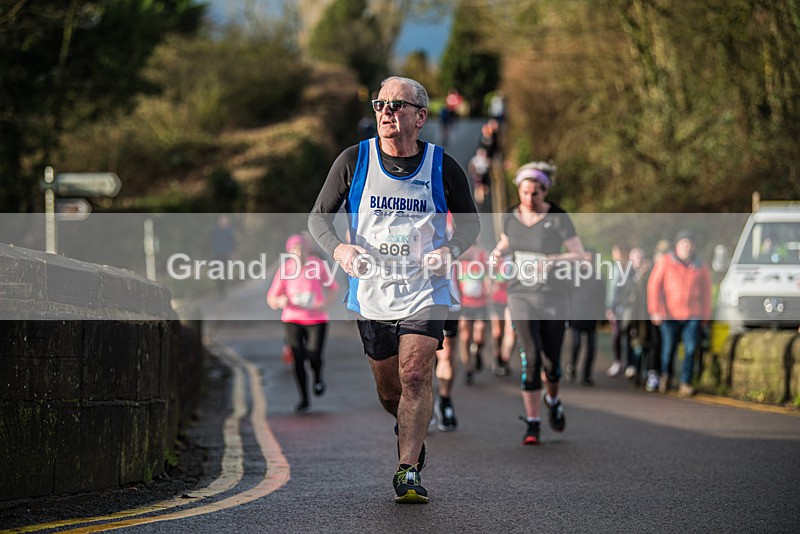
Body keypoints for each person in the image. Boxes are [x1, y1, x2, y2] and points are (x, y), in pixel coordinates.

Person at [308, 76, 480, 503]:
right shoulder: (354, 160)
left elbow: (472, 224)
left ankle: (407, 468)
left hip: (427, 288)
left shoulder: (443, 166)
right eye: (380, 104)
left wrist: (451, 251)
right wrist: (341, 250)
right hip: (371, 293)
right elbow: (318, 219)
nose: (385, 112)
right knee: (391, 390)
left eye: (397, 105)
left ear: (420, 117)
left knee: (416, 374)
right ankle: (407, 426)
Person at [491, 163, 587, 445]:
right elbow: (506, 242)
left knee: (551, 364)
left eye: (535, 193)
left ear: (545, 191)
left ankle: (553, 399)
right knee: (530, 358)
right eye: (524, 193)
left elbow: (580, 256)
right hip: (520, 294)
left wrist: (549, 261)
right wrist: (497, 254)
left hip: (553, 296)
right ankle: (532, 423)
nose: (529, 199)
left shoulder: (558, 218)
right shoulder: (510, 215)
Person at [267, 234, 339, 413]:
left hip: (317, 319)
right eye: (294, 250)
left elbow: (333, 288)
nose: (298, 253)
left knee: (314, 354)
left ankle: (318, 377)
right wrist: (279, 301)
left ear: (307, 250)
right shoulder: (285, 269)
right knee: (298, 358)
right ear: (289, 252)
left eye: (301, 249)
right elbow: (271, 298)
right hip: (292, 319)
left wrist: (325, 303)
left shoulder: (317, 265)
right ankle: (304, 399)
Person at [647, 230, 712, 397]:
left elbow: (707, 293)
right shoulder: (665, 262)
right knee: (669, 350)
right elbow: (654, 286)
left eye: (690, 243)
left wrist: (705, 315)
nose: (687, 246)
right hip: (669, 314)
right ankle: (666, 375)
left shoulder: (700, 266)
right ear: (677, 245)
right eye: (684, 242)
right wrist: (655, 310)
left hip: (692, 315)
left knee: (690, 349)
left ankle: (685, 382)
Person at [565, 248, 605, 386]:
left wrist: (602, 316)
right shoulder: (571, 276)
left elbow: (601, 299)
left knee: (591, 347)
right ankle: (572, 366)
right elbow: (566, 297)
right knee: (576, 344)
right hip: (575, 316)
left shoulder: (597, 278)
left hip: (591, 318)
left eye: (590, 257)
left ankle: (587, 374)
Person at [456, 244, 490, 385]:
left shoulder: (482, 253)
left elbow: (490, 272)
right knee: (464, 335)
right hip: (464, 303)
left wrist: (489, 285)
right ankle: (468, 368)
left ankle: (477, 350)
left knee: (479, 334)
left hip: (480, 303)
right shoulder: (458, 254)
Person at [605, 244, 634, 378]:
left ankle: (626, 363)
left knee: (626, 335)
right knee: (618, 335)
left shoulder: (626, 268)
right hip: (618, 307)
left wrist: (609, 307)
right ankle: (620, 362)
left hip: (625, 308)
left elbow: (613, 290)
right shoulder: (617, 267)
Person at [488, 256, 514, 377]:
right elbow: (488, 274)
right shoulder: (497, 256)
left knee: (511, 332)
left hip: (512, 300)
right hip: (496, 299)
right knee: (497, 332)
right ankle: (497, 357)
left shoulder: (519, 256)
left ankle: (504, 362)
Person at [211, 215, 236, 297]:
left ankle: (223, 291)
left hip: (226, 254)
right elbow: (211, 241)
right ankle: (219, 288)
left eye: (224, 221)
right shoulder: (215, 230)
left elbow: (233, 242)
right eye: (221, 221)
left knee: (224, 273)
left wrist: (233, 253)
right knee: (216, 272)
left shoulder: (229, 231)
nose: (222, 223)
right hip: (217, 254)